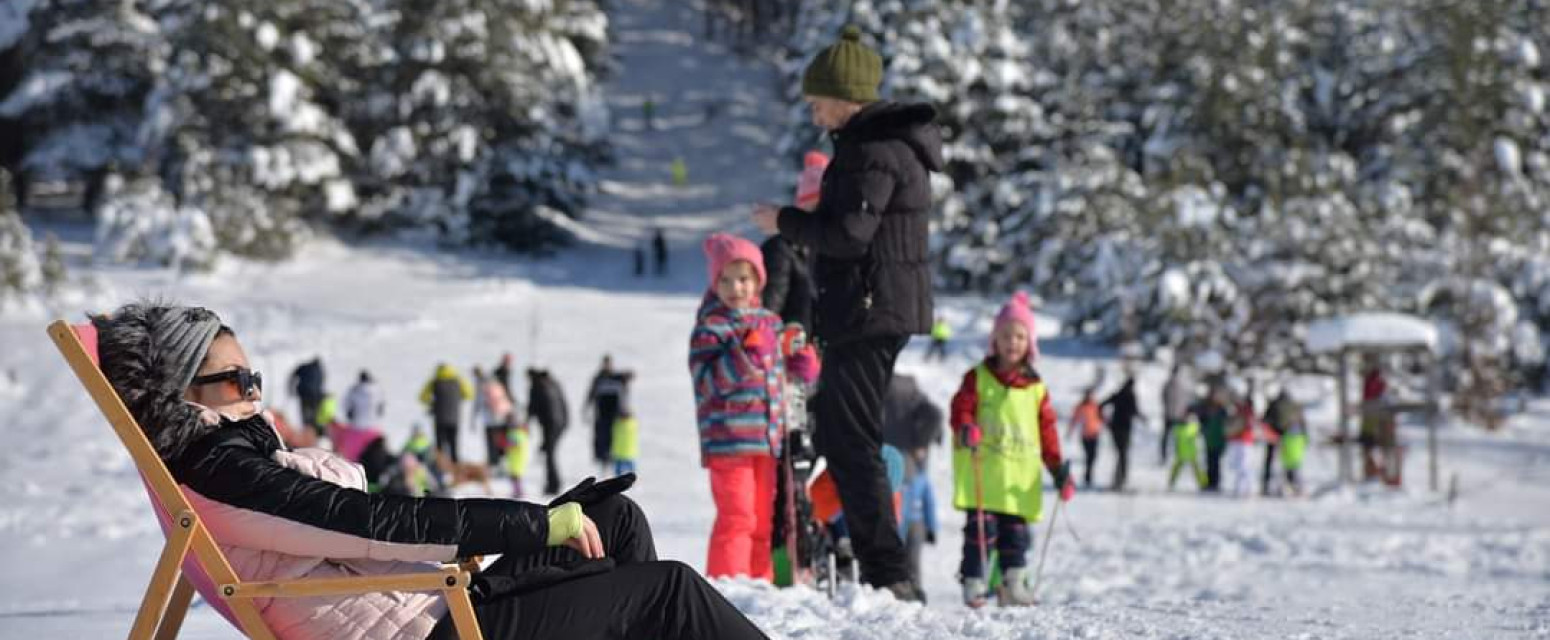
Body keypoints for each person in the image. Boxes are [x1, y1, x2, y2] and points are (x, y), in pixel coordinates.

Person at [93, 302, 769, 640]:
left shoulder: (234, 455)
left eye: (254, 375)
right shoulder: (226, 471)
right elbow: (371, 524)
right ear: (184, 388)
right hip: (425, 631)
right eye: (236, 378)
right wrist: (535, 525)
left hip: (428, 602)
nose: (254, 390)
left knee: (612, 519)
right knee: (670, 592)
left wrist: (547, 519)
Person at [750, 25, 944, 600]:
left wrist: (785, 222)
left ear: (846, 97)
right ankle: (884, 567)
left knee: (850, 439)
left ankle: (888, 573)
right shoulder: (872, 147)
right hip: (872, 309)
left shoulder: (871, 151)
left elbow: (849, 235)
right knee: (847, 436)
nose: (812, 112)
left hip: (869, 310)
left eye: (817, 101)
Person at [689, 233, 820, 581]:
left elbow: (779, 371)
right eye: (726, 280)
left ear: (759, 280)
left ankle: (758, 588)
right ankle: (726, 587)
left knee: (763, 522)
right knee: (737, 518)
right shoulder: (711, 329)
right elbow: (707, 382)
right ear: (715, 283)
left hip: (768, 440)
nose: (736, 288)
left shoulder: (771, 324)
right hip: (729, 441)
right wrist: (744, 355)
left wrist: (800, 366)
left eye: (744, 279)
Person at [948, 292, 1073, 607]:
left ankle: (1013, 582)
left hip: (1018, 479)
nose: (1012, 342)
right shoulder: (977, 378)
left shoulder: (1036, 389)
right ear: (995, 339)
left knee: (1015, 537)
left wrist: (1057, 469)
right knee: (981, 533)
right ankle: (974, 580)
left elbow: (1047, 432)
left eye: (1020, 336)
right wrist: (965, 427)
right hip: (986, 475)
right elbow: (960, 409)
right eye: (1006, 335)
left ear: (1029, 342)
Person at [880, 373, 943, 585]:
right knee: (911, 551)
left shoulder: (873, 388)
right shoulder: (910, 391)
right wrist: (922, 443)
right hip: (907, 471)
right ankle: (912, 594)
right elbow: (934, 415)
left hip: (879, 473)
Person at [527, 368, 570, 495]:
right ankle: (554, 483)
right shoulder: (554, 383)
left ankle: (553, 485)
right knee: (550, 453)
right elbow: (564, 404)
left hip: (549, 424)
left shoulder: (536, 387)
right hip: (560, 423)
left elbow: (533, 407)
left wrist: (526, 421)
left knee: (549, 455)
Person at [584, 356, 631, 472]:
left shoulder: (617, 378)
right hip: (601, 414)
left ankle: (613, 462)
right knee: (601, 438)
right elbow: (591, 393)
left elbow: (625, 392)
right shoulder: (598, 378)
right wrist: (586, 407)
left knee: (614, 439)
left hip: (615, 415)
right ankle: (602, 462)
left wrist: (625, 410)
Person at [421, 362, 473, 464]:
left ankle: (440, 465)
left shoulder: (434, 381)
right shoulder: (458, 380)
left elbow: (423, 397)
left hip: (439, 418)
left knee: (440, 444)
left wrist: (433, 402)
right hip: (454, 417)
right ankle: (454, 464)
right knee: (453, 443)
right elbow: (469, 395)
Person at [1101, 375, 1143, 492]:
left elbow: (1100, 405)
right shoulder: (1131, 396)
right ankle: (1121, 480)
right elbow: (1135, 411)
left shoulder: (1118, 394)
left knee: (1120, 453)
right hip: (1124, 428)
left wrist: (1105, 420)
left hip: (1114, 428)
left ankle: (1118, 479)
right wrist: (1141, 417)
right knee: (1123, 454)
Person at [1193, 385, 1235, 493]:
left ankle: (1215, 483)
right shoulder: (1205, 407)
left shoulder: (1222, 410)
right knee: (1209, 462)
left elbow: (1227, 424)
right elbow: (1200, 418)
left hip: (1218, 439)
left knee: (1216, 462)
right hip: (1209, 439)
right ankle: (1209, 483)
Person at [474, 366, 517, 469]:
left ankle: (494, 464)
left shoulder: (482, 388)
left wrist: (474, 418)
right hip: (503, 419)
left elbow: (478, 404)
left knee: (492, 444)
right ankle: (505, 464)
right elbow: (507, 402)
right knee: (502, 443)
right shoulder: (498, 385)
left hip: (490, 421)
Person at [1262, 388, 1298, 495]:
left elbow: (1265, 419)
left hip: (1273, 435)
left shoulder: (1273, 404)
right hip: (1288, 436)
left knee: (1270, 460)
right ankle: (1290, 483)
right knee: (1288, 461)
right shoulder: (1293, 405)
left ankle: (1267, 484)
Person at [1066, 389, 1104, 488]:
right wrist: (1070, 431)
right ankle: (1087, 477)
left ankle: (1088, 475)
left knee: (1093, 456)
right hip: (1085, 435)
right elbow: (1074, 419)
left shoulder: (1095, 405)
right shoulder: (1080, 407)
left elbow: (1101, 417)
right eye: (1087, 395)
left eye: (1090, 395)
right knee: (1089, 456)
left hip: (1095, 433)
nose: (1089, 397)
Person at [1227, 382, 1259, 497]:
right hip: (1240, 440)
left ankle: (1247, 488)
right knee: (1240, 466)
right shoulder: (1240, 410)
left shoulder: (1246, 412)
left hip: (1245, 441)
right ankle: (1241, 488)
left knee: (1245, 466)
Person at [1160, 363, 1194, 464]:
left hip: (1178, 415)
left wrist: (1184, 412)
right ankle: (1165, 456)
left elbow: (1187, 400)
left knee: (1179, 437)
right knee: (1168, 436)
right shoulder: (1169, 384)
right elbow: (1163, 397)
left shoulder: (1182, 385)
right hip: (1171, 414)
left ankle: (1179, 455)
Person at [1168, 413, 1207, 491]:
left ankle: (1204, 484)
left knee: (1197, 470)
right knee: (1178, 469)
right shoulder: (1179, 428)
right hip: (1183, 453)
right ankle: (1171, 482)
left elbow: (1199, 430)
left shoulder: (1191, 428)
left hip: (1190, 452)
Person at [288, 356, 325, 437]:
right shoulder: (320, 371)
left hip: (304, 394)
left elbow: (294, 374)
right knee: (314, 415)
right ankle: (313, 433)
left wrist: (291, 388)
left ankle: (307, 431)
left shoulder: (305, 367)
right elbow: (321, 384)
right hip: (315, 396)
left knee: (306, 414)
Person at [612, 411, 638, 476]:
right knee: (627, 470)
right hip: (626, 452)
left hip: (624, 452)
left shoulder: (620, 425)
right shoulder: (633, 424)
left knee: (621, 471)